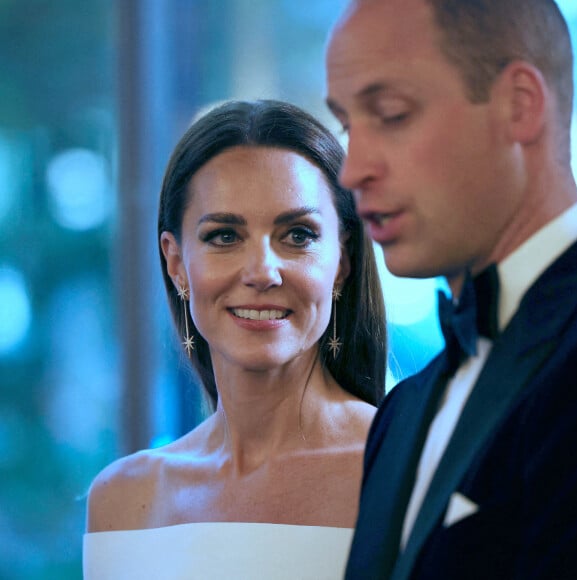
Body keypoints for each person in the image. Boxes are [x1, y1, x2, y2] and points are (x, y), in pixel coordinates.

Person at [325, 0, 577, 578]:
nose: (351, 169)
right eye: (346, 124)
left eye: (390, 114)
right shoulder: (401, 411)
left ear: (520, 104)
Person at [83, 99, 387, 579]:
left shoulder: (410, 467)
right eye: (224, 236)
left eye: (298, 235)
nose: (262, 272)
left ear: (343, 262)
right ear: (176, 262)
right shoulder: (122, 501)